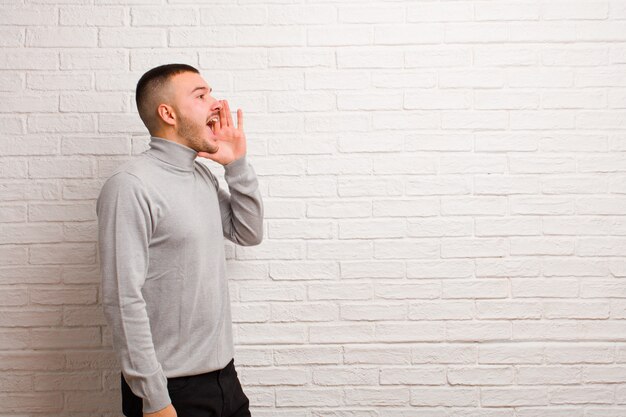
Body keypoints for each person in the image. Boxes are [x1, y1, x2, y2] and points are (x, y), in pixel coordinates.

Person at [96, 63, 263, 417]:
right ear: (168, 113)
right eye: (201, 96)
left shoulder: (201, 175)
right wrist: (155, 400)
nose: (216, 104)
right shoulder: (130, 185)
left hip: (225, 381)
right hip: (171, 391)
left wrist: (236, 165)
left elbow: (248, 233)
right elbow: (122, 298)